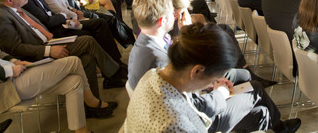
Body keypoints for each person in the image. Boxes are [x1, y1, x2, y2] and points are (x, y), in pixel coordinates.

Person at [0, 0, 117, 130]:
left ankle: (80, 129)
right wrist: (7, 71)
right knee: (74, 61)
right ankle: (92, 100)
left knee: (74, 81)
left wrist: (13, 61)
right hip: (0, 88)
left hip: (15, 70)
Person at [125, 22, 301, 133]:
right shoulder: (175, 124)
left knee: (261, 112)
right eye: (213, 78)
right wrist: (218, 93)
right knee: (260, 108)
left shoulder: (152, 76)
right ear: (197, 71)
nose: (212, 83)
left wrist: (210, 86)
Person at [0, 0, 125, 98]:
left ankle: (92, 104)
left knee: (87, 58)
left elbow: (40, 28)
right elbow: (15, 49)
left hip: (49, 42)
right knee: (87, 40)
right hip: (35, 57)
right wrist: (48, 51)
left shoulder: (18, 9)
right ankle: (115, 73)